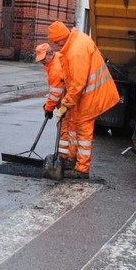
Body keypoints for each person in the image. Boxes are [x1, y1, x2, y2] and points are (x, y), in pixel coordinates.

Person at [47, 20, 120, 179]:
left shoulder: (76, 51)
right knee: (73, 124)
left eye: (55, 42)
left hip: (92, 96)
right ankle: (72, 160)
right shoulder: (74, 42)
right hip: (86, 95)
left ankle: (82, 169)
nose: (55, 46)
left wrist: (65, 104)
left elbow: (78, 84)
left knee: (83, 131)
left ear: (60, 38)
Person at [34, 43, 64, 120]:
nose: (42, 62)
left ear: (50, 53)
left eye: (43, 59)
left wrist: (48, 109)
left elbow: (55, 94)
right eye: (40, 60)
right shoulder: (57, 56)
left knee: (66, 129)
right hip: (70, 101)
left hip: (68, 104)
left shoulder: (55, 70)